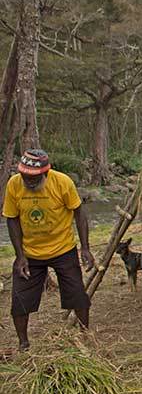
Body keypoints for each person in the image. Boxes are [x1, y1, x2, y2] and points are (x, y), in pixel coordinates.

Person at [4, 149, 94, 349]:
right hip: (30, 253)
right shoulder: (14, 184)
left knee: (77, 294)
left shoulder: (62, 182)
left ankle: (86, 337)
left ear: (46, 173)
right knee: (19, 300)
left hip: (63, 248)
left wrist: (85, 248)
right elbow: (11, 219)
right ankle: (23, 344)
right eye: (26, 178)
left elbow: (79, 213)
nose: (29, 183)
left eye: (34, 179)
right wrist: (20, 256)